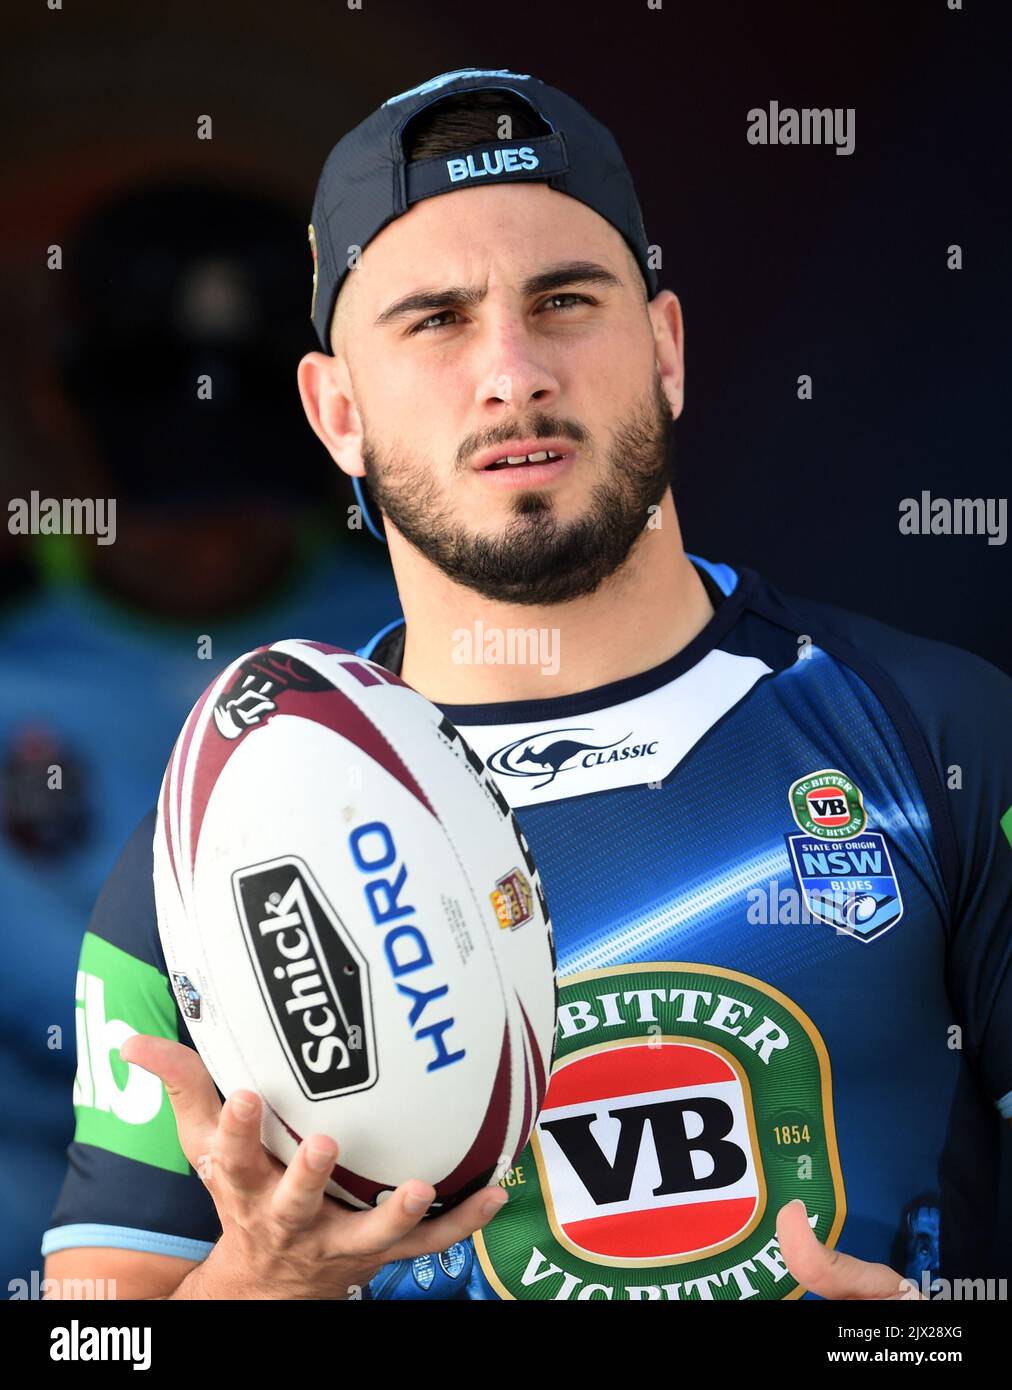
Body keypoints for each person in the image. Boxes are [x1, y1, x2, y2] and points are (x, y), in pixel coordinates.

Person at [42, 68, 1011, 1302]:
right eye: (435, 320)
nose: (512, 372)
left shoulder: (944, 739)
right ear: (336, 411)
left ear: (664, 347)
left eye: (563, 300)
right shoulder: (204, 857)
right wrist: (264, 1278)